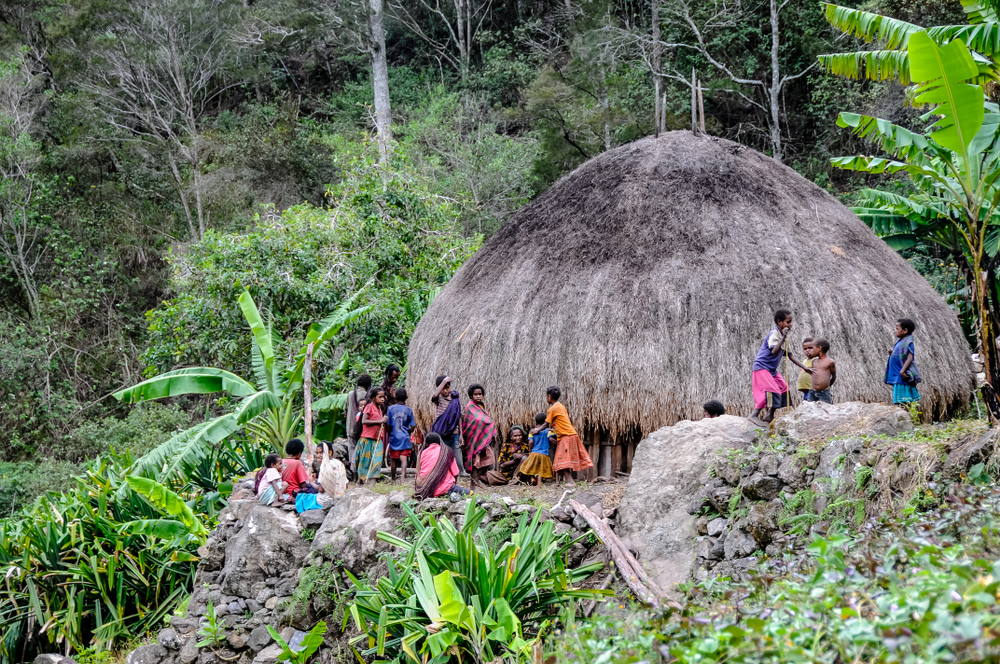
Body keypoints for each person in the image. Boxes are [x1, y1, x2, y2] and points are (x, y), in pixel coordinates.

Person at [750, 309, 811, 426]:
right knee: (772, 390)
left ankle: (770, 414)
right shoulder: (774, 334)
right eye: (788, 322)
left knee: (783, 388)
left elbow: (789, 355)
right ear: (779, 322)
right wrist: (783, 338)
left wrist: (805, 367)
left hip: (771, 370)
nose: (790, 325)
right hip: (762, 367)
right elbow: (774, 351)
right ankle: (754, 414)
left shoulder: (782, 336)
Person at [544, 386, 592, 487]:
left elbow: (545, 424)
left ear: (549, 396)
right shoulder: (561, 406)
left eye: (546, 396)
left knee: (561, 459)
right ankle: (570, 481)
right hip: (570, 435)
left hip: (567, 437)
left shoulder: (552, 409)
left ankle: (571, 482)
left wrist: (536, 430)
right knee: (562, 459)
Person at [460, 384, 497, 490]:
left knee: (489, 458)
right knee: (475, 462)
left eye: (480, 394)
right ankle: (473, 484)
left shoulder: (482, 406)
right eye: (476, 394)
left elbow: (484, 419)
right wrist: (489, 422)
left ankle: (476, 479)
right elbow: (476, 420)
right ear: (471, 396)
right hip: (472, 439)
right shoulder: (470, 406)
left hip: (481, 439)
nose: (478, 396)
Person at [415, 432, 471, 500]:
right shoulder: (447, 451)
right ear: (440, 441)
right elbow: (455, 472)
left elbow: (418, 474)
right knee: (471, 494)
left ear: (426, 443)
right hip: (445, 489)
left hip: (425, 490)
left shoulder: (422, 453)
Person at [431, 375, 466, 476]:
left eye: (447, 387)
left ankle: (460, 472)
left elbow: (459, 416)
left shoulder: (455, 398)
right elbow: (434, 395)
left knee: (457, 453)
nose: (446, 391)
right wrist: (444, 381)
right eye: (443, 388)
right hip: (442, 432)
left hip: (454, 431)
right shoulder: (439, 399)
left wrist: (461, 435)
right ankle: (444, 473)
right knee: (443, 453)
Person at [356, 386, 388, 485]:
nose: (383, 399)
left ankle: (372, 485)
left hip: (377, 439)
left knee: (377, 461)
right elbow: (364, 421)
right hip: (367, 438)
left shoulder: (380, 409)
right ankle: (359, 481)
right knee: (365, 462)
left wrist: (384, 421)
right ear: (373, 398)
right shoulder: (369, 407)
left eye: (383, 397)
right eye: (380, 397)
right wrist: (380, 421)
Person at [886, 318, 921, 404]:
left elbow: (910, 357)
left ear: (905, 330)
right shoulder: (900, 342)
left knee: (904, 401)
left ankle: (905, 416)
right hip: (897, 377)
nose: (895, 331)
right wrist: (892, 352)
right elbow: (900, 354)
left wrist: (902, 371)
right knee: (900, 401)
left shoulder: (908, 342)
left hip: (901, 377)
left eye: (897, 329)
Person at [387, 387, 416, 483]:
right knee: (404, 459)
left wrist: (389, 432)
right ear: (407, 397)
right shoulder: (408, 410)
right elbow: (413, 425)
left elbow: (388, 424)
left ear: (395, 396)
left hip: (394, 436)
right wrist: (408, 432)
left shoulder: (390, 409)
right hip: (405, 437)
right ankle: (403, 478)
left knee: (394, 459)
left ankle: (393, 478)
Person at [345, 374, 372, 474]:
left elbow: (346, 410)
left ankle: (354, 473)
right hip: (364, 430)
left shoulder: (350, 394)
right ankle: (363, 473)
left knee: (352, 451)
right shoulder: (369, 396)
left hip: (350, 428)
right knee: (363, 451)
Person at [520, 413, 555, 486]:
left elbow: (531, 441)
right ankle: (539, 484)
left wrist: (530, 450)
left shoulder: (532, 431)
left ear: (535, 422)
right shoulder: (549, 431)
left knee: (531, 466)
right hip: (544, 454)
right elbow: (551, 438)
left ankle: (532, 478)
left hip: (534, 453)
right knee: (540, 470)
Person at [804, 337, 836, 404]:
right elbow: (815, 374)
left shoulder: (830, 362)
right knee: (810, 410)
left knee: (826, 410)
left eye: (812, 348)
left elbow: (834, 376)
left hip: (824, 393)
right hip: (812, 392)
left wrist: (827, 386)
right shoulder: (814, 361)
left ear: (819, 348)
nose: (811, 350)